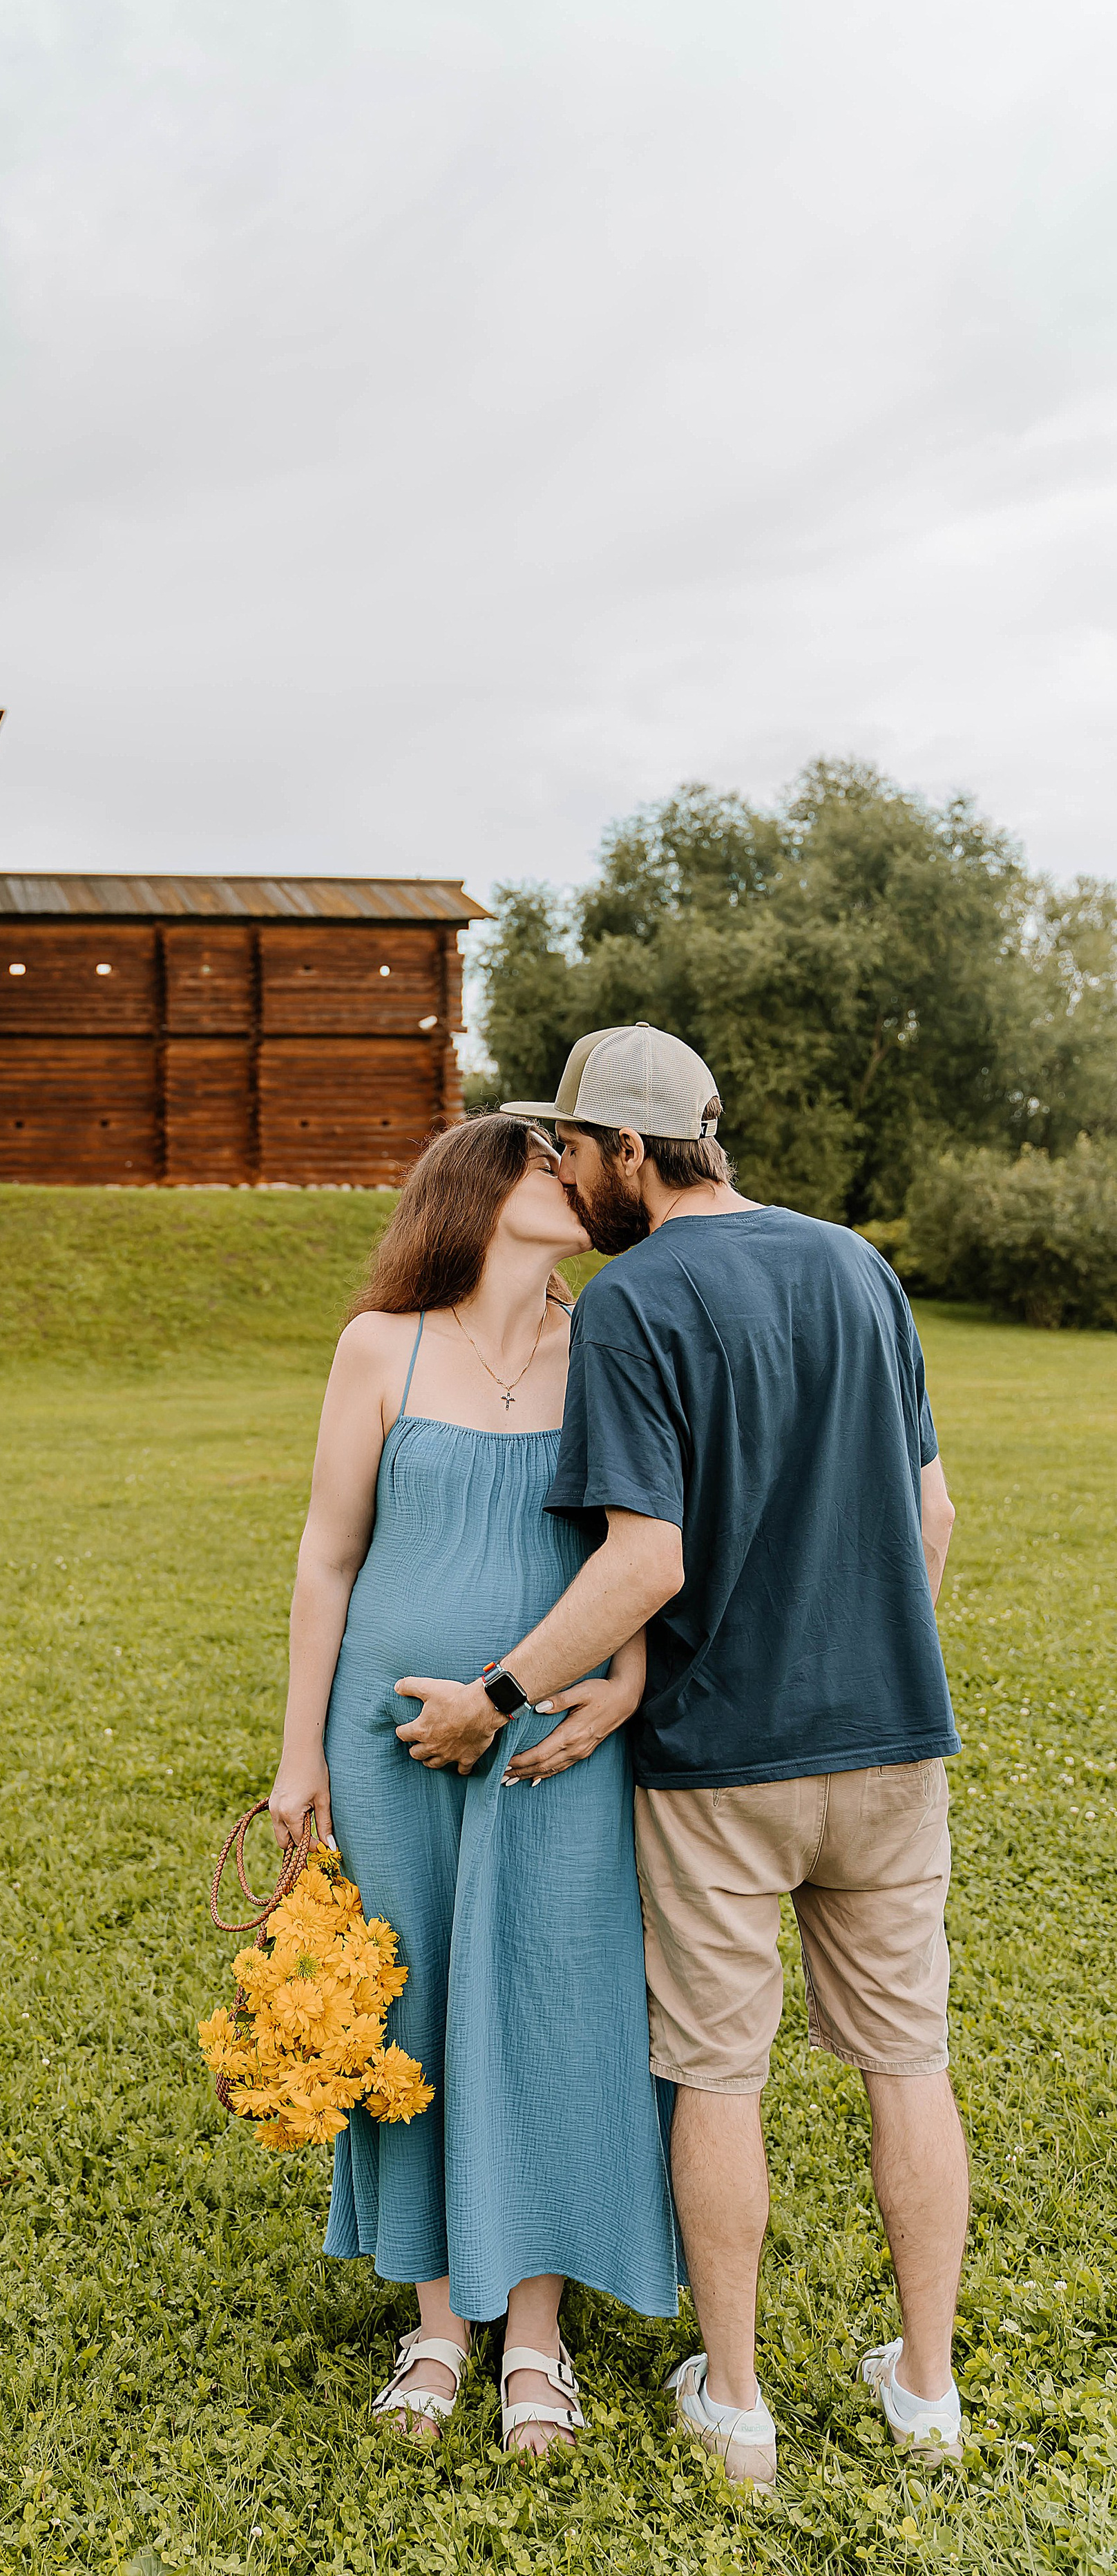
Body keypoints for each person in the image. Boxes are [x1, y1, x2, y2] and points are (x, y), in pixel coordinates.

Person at [397, 1023, 964, 2490]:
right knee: (905, 2063)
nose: (569, 1173)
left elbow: (643, 1563)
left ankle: (736, 2402)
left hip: (723, 1762)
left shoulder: (637, 1303)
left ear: (633, 1154)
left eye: (577, 1148)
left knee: (720, 2079)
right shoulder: (853, 1263)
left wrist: (498, 1690)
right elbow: (933, 1519)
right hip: (891, 1746)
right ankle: (924, 2392)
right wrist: (865, 1656)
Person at [267, 1111, 682, 2456]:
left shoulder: (602, 1343)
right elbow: (327, 1557)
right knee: (417, 2007)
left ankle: (539, 2344)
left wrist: (619, 1673)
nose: (571, 1184)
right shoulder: (376, 1346)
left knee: (553, 2002)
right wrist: (295, 1756)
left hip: (552, 1733)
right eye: (541, 1165)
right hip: (385, 1742)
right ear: (474, 1191)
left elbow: (635, 1533)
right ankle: (440, 2324)